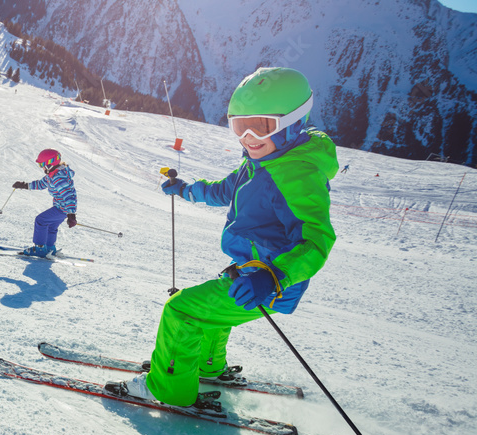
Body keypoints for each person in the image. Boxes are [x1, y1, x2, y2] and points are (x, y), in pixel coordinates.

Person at [108, 67, 338, 408]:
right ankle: (210, 367)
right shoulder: (264, 159)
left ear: (293, 121)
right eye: (238, 126)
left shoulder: (296, 176)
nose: (247, 137)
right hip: (253, 269)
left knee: (181, 310)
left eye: (260, 126)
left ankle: (167, 389)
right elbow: (226, 190)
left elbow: (315, 241)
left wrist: (274, 276)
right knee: (216, 299)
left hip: (271, 281)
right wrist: (185, 190)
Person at [12, 149, 77, 257]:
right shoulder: (53, 174)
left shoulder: (58, 178)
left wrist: (71, 215)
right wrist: (24, 185)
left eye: (42, 164)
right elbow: (41, 184)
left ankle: (40, 249)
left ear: (50, 164)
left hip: (63, 208)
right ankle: (50, 249)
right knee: (51, 226)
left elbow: (69, 196)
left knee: (41, 220)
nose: (41, 167)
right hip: (63, 208)